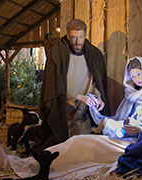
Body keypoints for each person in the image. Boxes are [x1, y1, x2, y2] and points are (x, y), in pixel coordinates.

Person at [36, 19, 110, 151]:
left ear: (85, 35)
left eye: (81, 37)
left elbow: (95, 82)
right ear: (68, 36)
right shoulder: (57, 53)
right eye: (74, 37)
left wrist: (99, 97)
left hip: (82, 112)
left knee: (83, 148)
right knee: (58, 147)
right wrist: (76, 96)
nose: (77, 42)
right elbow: (52, 86)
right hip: (62, 109)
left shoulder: (94, 55)